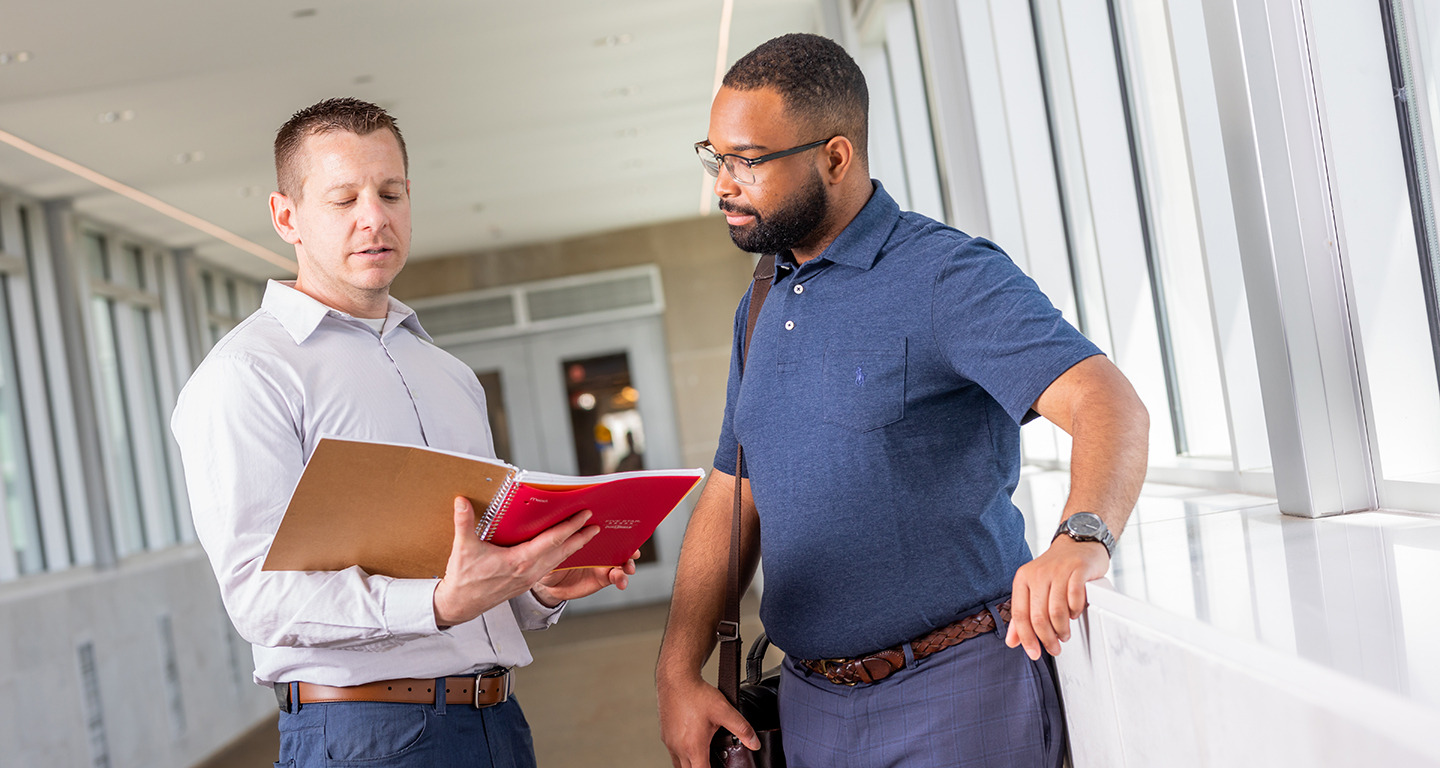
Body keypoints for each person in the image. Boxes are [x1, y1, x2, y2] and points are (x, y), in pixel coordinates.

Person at [654, 34, 1150, 768]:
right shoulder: (760, 301)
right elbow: (734, 491)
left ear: (835, 157)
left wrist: (1082, 537)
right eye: (716, 157)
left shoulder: (945, 274)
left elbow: (1106, 400)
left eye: (749, 162)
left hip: (958, 695)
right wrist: (676, 672)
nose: (724, 184)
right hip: (811, 707)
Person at [171, 98, 636, 768]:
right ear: (286, 217)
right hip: (366, 736)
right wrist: (437, 603)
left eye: (390, 193)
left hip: (497, 721)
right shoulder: (247, 376)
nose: (374, 217)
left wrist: (536, 586)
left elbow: (466, 564)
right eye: (343, 198)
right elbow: (259, 598)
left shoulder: (446, 373)